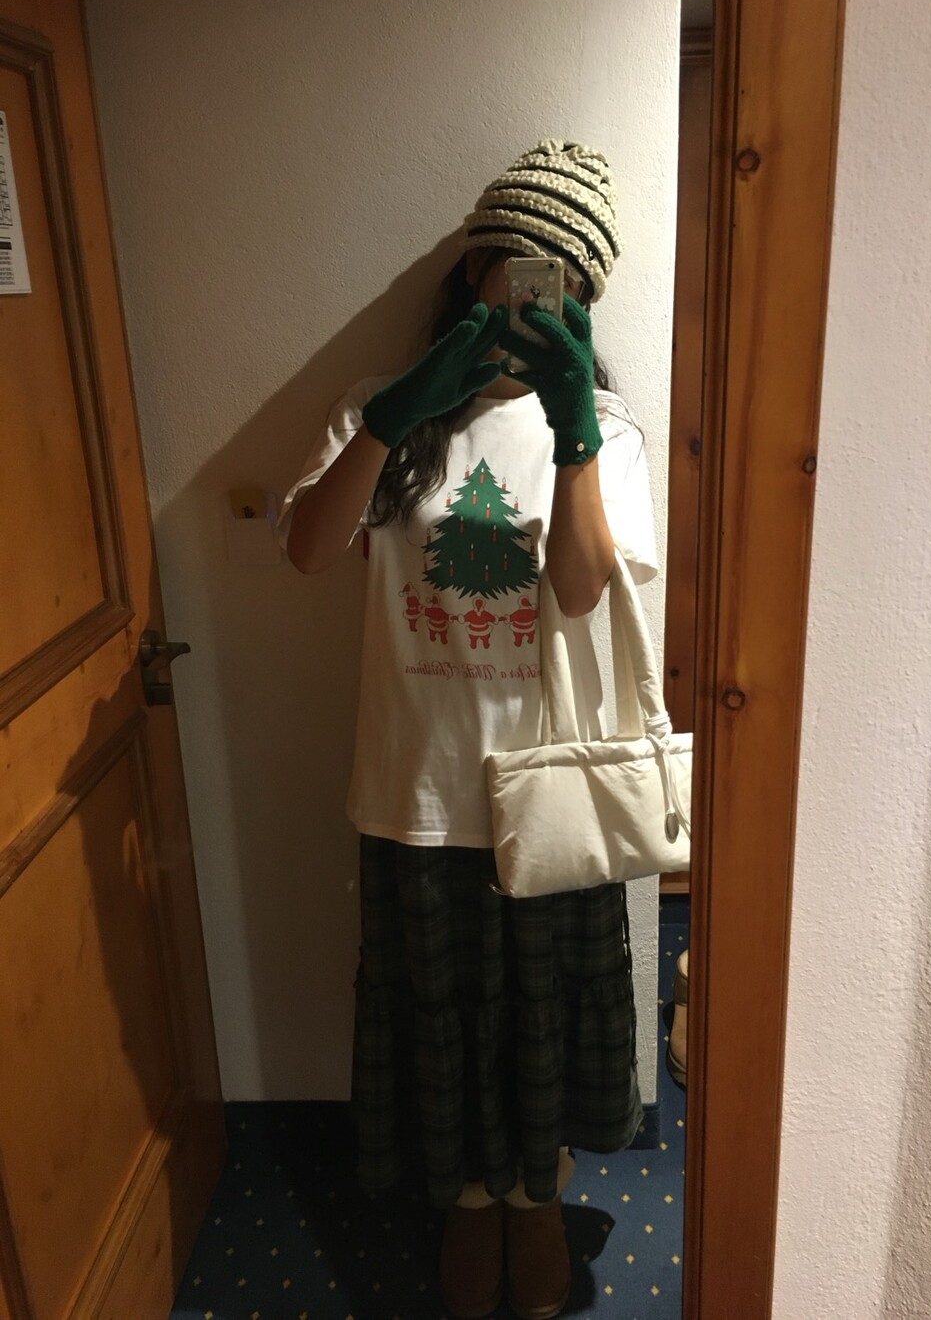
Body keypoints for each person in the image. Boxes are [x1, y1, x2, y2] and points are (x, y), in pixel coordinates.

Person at [278, 139, 657, 1320]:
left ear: (581, 301)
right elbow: (306, 551)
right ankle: (469, 1200)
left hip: (547, 791)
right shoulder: (378, 410)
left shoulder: (606, 429)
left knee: (540, 1015)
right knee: (440, 1016)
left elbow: (582, 590)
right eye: (515, 266)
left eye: (560, 282)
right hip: (418, 783)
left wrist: (572, 429)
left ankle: (534, 1198)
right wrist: (400, 411)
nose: (530, 295)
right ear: (475, 271)